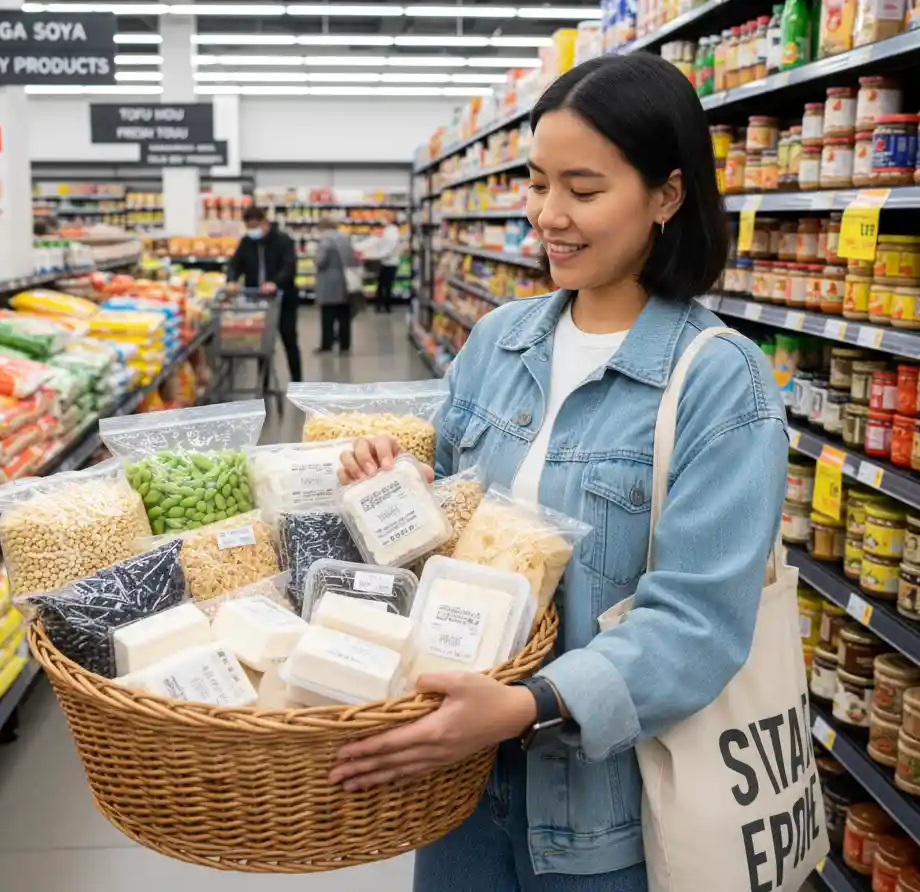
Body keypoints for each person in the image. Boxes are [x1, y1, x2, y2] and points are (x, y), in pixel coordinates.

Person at [331, 53, 788, 891]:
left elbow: (698, 622)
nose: (548, 216)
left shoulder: (721, 381)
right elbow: (448, 532)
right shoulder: (498, 341)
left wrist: (530, 704)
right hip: (459, 785)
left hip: (605, 819)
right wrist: (390, 486)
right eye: (538, 184)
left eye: (583, 190)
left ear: (667, 196)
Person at [226, 207, 301, 383]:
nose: (252, 231)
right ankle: (263, 383)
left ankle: (297, 381)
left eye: (254, 226)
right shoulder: (246, 242)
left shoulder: (283, 241)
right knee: (262, 343)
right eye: (248, 227)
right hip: (257, 300)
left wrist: (276, 283)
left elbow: (289, 266)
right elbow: (234, 265)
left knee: (289, 340)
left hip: (283, 300)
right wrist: (232, 280)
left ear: (264, 222)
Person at [313, 219, 357, 354]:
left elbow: (320, 261)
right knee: (344, 316)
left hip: (328, 283)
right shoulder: (345, 239)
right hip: (345, 282)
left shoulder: (325, 241)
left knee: (327, 316)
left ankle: (327, 344)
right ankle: (345, 345)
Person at [369, 217, 402, 313]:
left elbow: (387, 249)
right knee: (386, 285)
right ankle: (384, 306)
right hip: (390, 262)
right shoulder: (392, 232)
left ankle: (382, 306)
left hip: (389, 263)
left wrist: (376, 255)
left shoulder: (392, 233)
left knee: (383, 285)